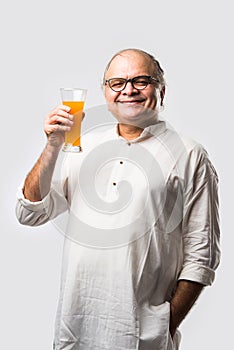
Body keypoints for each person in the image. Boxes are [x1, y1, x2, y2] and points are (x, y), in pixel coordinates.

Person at [16, 48, 220, 350]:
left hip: (141, 338)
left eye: (141, 80)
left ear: (161, 91)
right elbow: (30, 213)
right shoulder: (81, 146)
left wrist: (164, 324)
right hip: (74, 332)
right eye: (117, 82)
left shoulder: (190, 155)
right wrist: (52, 146)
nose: (128, 90)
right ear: (105, 92)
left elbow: (201, 255)